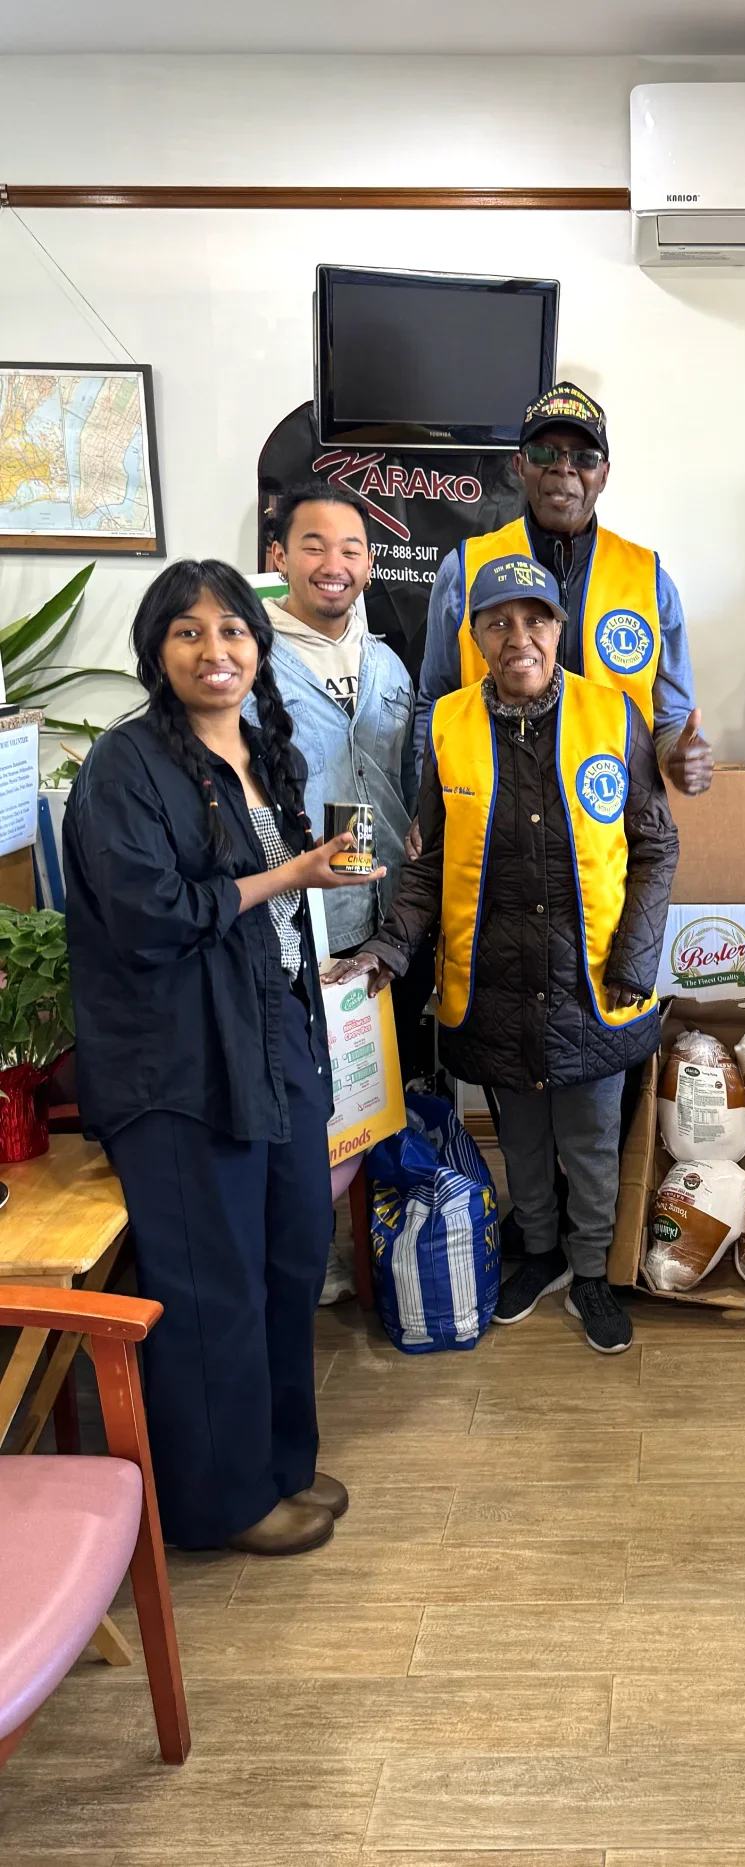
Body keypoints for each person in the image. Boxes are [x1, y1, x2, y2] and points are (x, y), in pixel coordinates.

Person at [63, 560, 385, 1556]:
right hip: (177, 1063)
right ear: (156, 651)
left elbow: (281, 914)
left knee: (291, 1259)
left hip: (272, 1034)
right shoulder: (124, 767)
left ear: (260, 643)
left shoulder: (261, 751)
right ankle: (218, 1503)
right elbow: (150, 916)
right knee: (212, 1286)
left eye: (235, 631)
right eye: (189, 633)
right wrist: (285, 872)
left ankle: (278, 1462)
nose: (218, 651)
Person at [331, 553, 678, 1355]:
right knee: (519, 1133)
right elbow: (425, 858)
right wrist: (388, 947)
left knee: (591, 1138)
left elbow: (656, 844)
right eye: (498, 621)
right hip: (493, 977)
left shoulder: (613, 715)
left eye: (536, 619)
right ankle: (543, 1252)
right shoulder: (448, 723)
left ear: (560, 628)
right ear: (477, 634)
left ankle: (590, 1268)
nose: (518, 636)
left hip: (593, 978)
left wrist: (636, 955)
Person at [262, 480, 427, 1300]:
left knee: (377, 1086)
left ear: (370, 562)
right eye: (315, 546)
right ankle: (312, 1250)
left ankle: (389, 1246)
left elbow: (409, 777)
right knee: (306, 1096)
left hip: (387, 919)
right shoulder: (253, 662)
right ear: (279, 557)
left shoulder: (389, 662)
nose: (334, 565)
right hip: (298, 924)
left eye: (352, 548)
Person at [415, 381, 712, 802]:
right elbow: (434, 704)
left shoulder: (650, 578)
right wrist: (425, 809)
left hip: (612, 827)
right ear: (519, 466)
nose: (564, 468)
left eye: (584, 457)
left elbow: (670, 721)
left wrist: (680, 755)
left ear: (604, 475)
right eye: (544, 454)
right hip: (491, 817)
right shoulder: (464, 569)